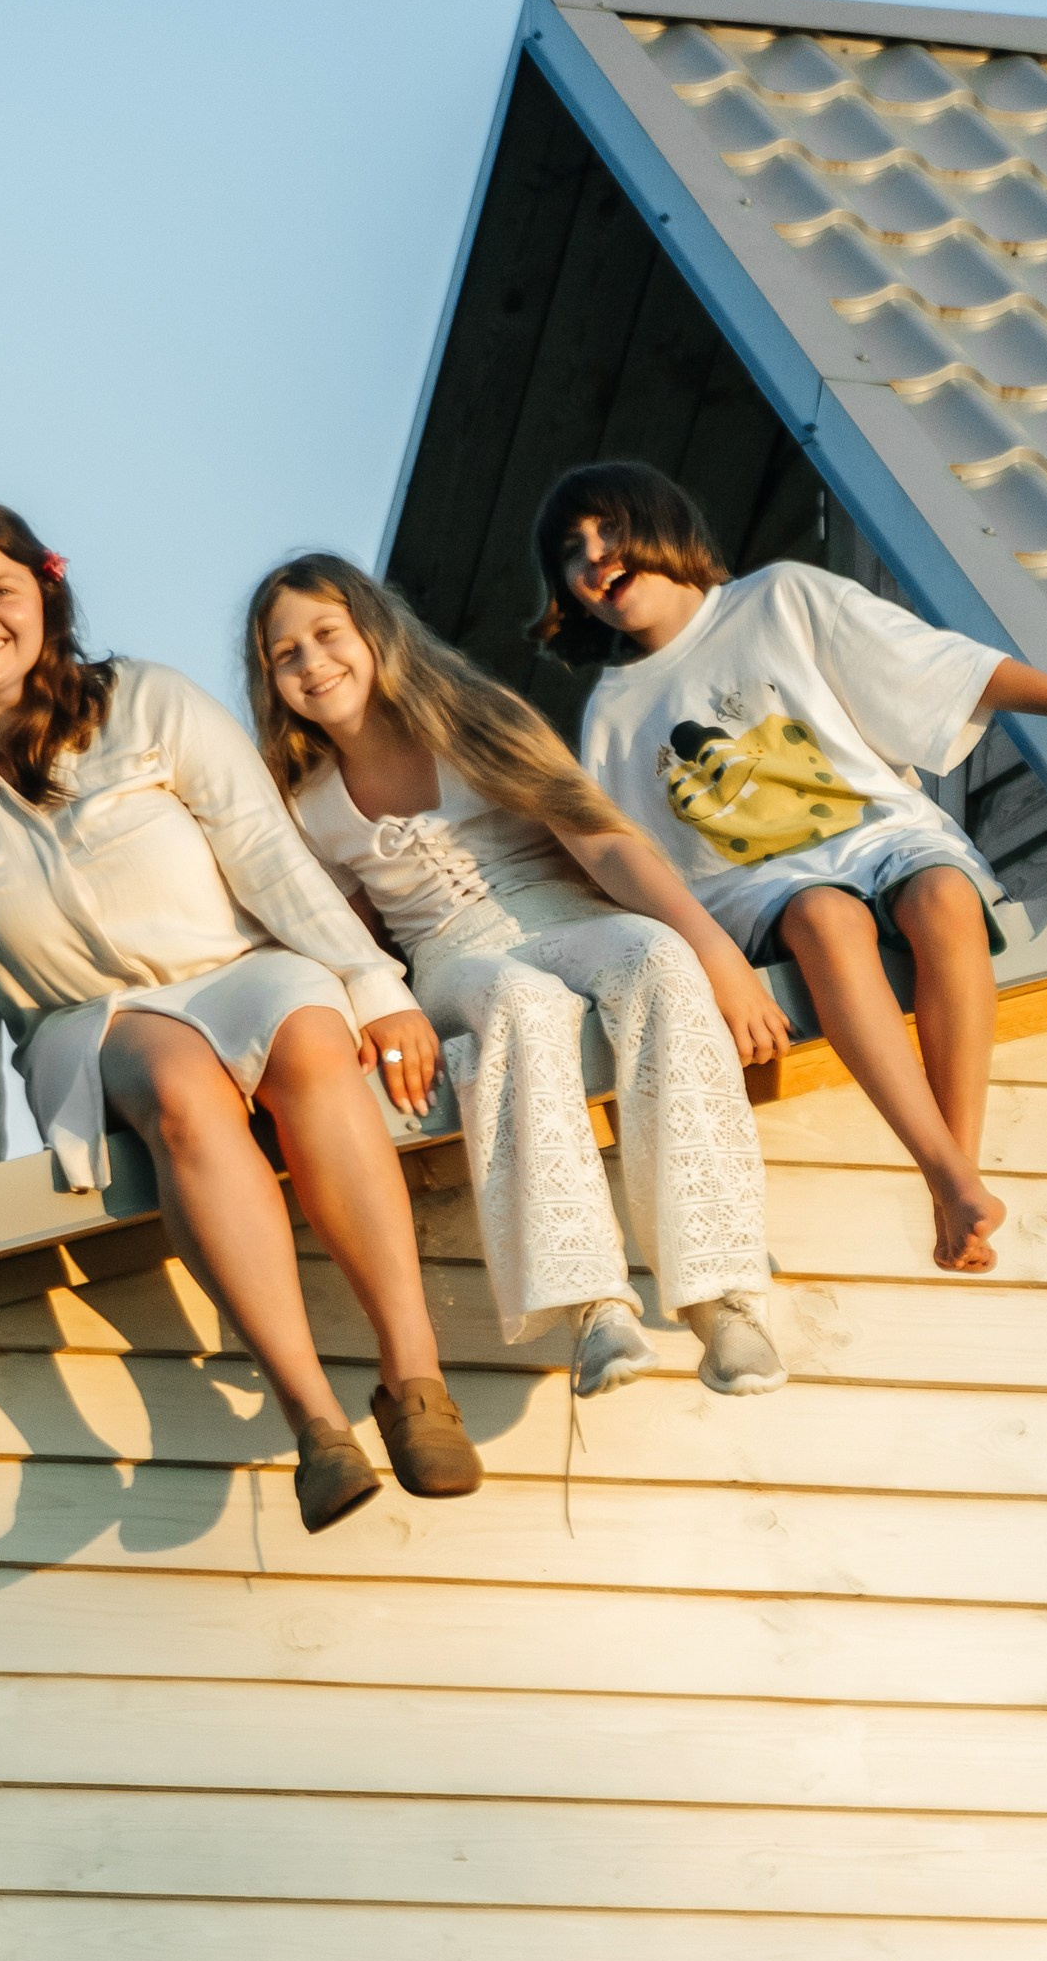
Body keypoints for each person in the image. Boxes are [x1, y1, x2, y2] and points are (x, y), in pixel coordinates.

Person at [0, 500, 481, 1533]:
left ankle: (415, 1382)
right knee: (184, 1090)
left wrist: (372, 984)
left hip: (237, 969)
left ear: (44, 595)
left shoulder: (145, 702)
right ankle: (315, 1422)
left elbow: (272, 858)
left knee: (316, 1044)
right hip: (84, 1023)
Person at [533, 462, 1047, 1274]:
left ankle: (961, 1178)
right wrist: (711, 963)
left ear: (665, 526)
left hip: (883, 834)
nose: (595, 556)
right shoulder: (610, 714)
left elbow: (947, 666)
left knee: (946, 895)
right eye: (572, 550)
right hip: (758, 886)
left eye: (611, 530)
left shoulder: (781, 598)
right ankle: (944, 1174)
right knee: (824, 918)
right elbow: (625, 867)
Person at [244, 552, 790, 1398]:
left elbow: (600, 839)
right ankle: (593, 1306)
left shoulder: (467, 714)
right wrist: (370, 1012)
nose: (313, 663)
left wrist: (719, 954)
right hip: (450, 953)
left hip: (561, 909)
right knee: (518, 1001)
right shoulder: (302, 801)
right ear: (270, 679)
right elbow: (340, 937)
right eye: (286, 655)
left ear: (374, 632)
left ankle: (721, 1297)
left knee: (654, 956)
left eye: (326, 635)